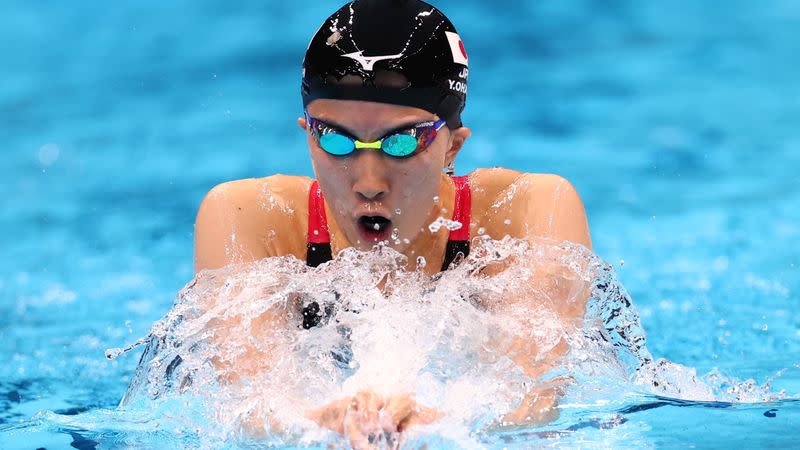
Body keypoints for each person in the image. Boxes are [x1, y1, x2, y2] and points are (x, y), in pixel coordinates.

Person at [193, 0, 592, 443]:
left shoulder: (522, 212)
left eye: (401, 142)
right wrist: (319, 422)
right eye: (336, 141)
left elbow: (536, 401)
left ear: (453, 146)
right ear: (307, 133)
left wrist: (441, 424)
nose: (368, 183)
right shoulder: (252, 221)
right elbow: (247, 405)